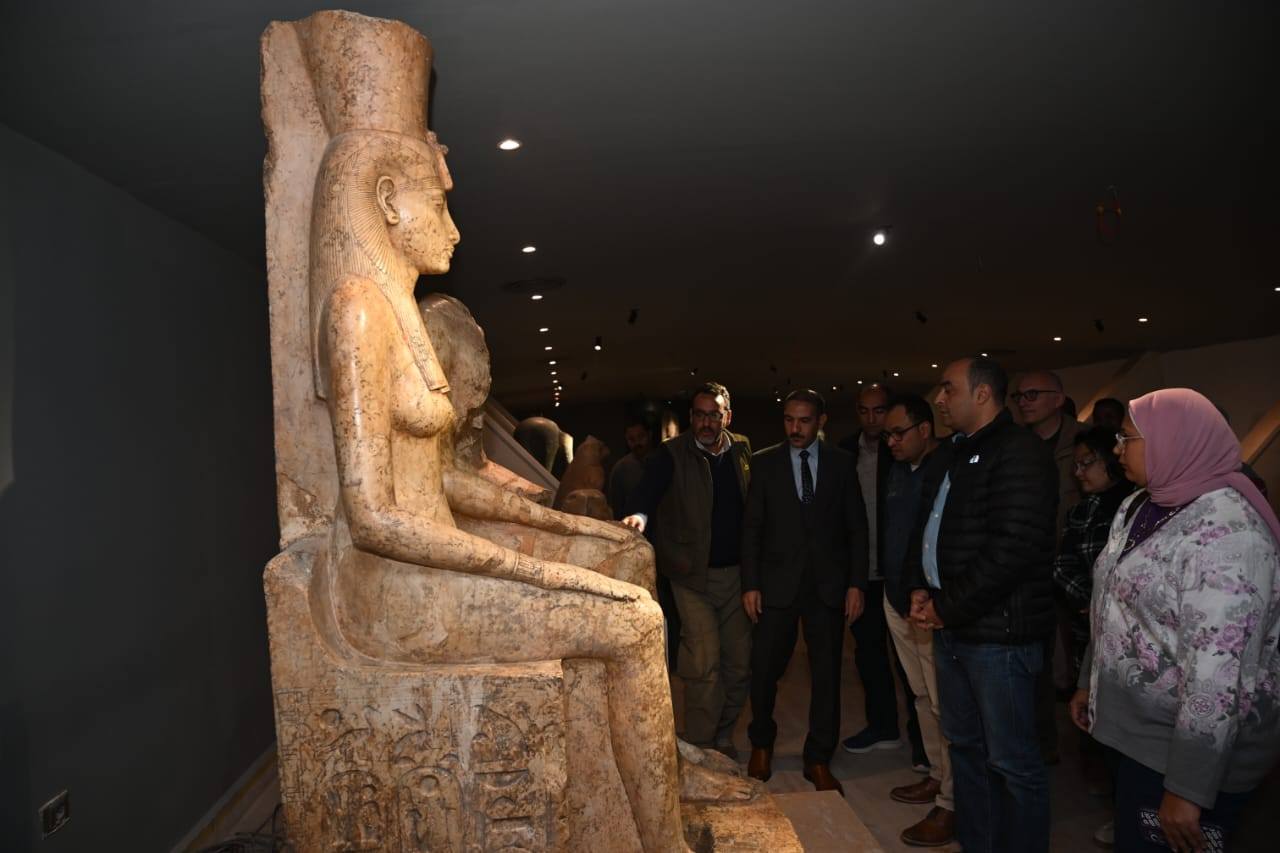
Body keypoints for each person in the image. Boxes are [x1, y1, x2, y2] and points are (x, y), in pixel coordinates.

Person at [310, 128, 752, 853]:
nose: (454, 229)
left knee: (623, 564)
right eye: (439, 205)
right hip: (391, 589)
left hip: (429, 560)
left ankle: (658, 769)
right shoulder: (358, 310)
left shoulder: (394, 309)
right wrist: (527, 568)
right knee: (637, 622)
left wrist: (554, 525)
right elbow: (373, 516)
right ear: (387, 202)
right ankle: (661, 841)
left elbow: (435, 480)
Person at [1069, 389, 1280, 853]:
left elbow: (1218, 677)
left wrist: (1187, 789)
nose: (1118, 450)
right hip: (1138, 739)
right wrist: (1091, 681)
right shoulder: (1140, 504)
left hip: (1186, 757)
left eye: (1127, 438)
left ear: (1174, 441)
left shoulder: (1229, 536)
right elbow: (1110, 600)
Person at [908, 357, 1057, 853]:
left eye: (949, 389)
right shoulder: (958, 450)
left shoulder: (1019, 452)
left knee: (1013, 763)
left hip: (999, 636)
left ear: (983, 394)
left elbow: (1011, 549)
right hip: (957, 626)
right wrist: (923, 587)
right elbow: (937, 529)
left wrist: (946, 607)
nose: (939, 399)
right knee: (967, 751)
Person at [742, 390, 869, 795]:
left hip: (827, 586)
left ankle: (818, 758)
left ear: (821, 421)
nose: (795, 428)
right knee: (764, 670)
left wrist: (856, 583)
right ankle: (761, 744)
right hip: (775, 585)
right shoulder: (764, 462)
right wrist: (751, 584)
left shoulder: (841, 463)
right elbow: (752, 528)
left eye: (804, 420)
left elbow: (856, 527)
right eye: (789, 419)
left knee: (827, 675)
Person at [623, 383, 752, 758]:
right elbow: (645, 495)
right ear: (691, 417)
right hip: (691, 576)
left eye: (713, 415)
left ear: (727, 417)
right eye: (699, 415)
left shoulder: (742, 449)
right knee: (703, 663)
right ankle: (701, 746)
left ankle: (723, 736)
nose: (705, 423)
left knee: (739, 664)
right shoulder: (671, 454)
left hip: (738, 577)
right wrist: (638, 516)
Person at [878, 395, 956, 847]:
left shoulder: (946, 467)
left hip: (926, 602)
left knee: (944, 702)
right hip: (896, 596)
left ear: (925, 430)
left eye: (898, 432)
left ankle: (952, 801)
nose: (890, 441)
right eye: (886, 434)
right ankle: (937, 775)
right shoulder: (896, 471)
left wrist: (924, 593)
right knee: (922, 696)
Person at [839, 384, 927, 766]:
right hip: (862, 574)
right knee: (869, 658)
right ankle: (883, 727)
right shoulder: (845, 451)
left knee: (913, 664)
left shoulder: (905, 452)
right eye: (865, 411)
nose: (872, 419)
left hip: (901, 575)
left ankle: (924, 745)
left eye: (879, 411)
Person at [1014, 369, 1080, 761]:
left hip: (1076, 571)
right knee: (1036, 663)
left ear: (1058, 399)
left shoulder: (1083, 442)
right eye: (1019, 396)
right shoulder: (1015, 445)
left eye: (1033, 394)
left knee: (1080, 664)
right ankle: (1042, 743)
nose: (1024, 402)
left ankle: (1093, 758)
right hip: (1031, 570)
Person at [1051, 426, 1134, 685]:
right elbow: (1062, 566)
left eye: (1085, 463)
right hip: (1091, 629)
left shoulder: (1142, 504)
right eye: (1075, 466)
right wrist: (1093, 599)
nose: (1078, 473)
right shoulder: (1082, 511)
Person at [609, 418, 653, 519]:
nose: (637, 443)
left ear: (649, 435)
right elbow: (616, 508)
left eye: (641, 437)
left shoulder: (663, 463)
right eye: (631, 439)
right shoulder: (621, 469)